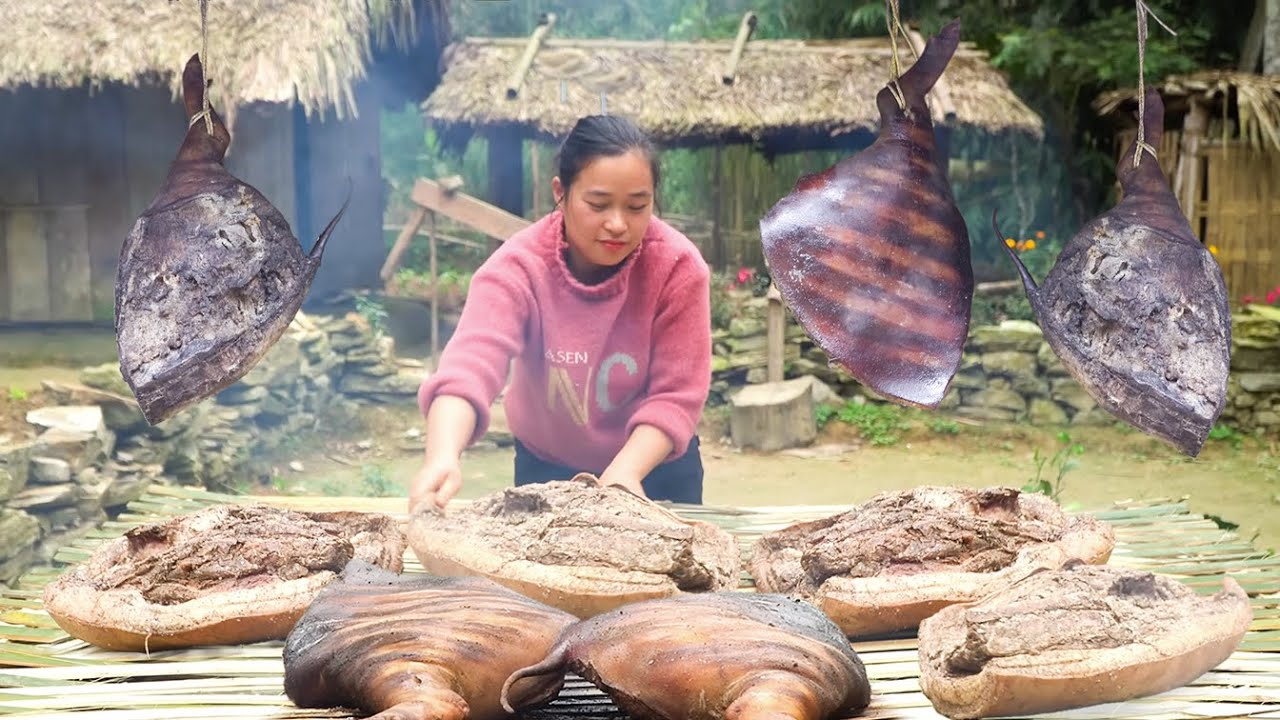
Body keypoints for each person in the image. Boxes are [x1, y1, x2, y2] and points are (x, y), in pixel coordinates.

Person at [408, 114, 712, 514]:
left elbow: (676, 396)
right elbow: (468, 369)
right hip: (545, 469)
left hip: (653, 470)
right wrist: (442, 456)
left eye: (638, 206)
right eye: (598, 204)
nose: (618, 224)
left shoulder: (678, 267)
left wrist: (624, 473)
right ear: (561, 192)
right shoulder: (518, 267)